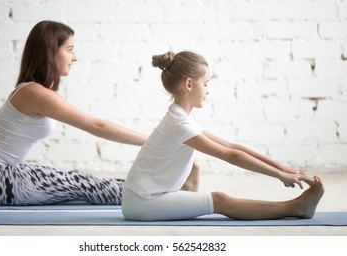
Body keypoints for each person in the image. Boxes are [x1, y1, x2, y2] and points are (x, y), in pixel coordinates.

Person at [0, 21, 198, 206]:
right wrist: (158, 141)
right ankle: (161, 197)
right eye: (70, 49)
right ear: (50, 52)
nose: (75, 57)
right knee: (81, 184)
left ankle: (160, 193)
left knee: (79, 180)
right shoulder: (35, 93)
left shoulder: (34, 90)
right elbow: (97, 126)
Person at [122, 50, 325, 221]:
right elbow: (231, 156)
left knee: (202, 178)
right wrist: (280, 176)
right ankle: (297, 208)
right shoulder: (179, 124)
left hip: (146, 196)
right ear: (189, 84)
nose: (208, 90)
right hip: (142, 201)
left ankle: (296, 205)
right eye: (206, 83)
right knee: (219, 200)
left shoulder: (181, 117)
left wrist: (283, 167)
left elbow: (232, 147)